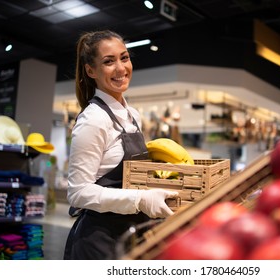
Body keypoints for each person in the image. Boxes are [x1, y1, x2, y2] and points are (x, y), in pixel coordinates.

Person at [63, 30, 178, 260]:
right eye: (108, 61)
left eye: (124, 58)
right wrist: (140, 199)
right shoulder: (93, 120)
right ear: (90, 70)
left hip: (131, 235)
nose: (120, 68)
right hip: (99, 242)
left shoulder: (133, 115)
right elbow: (78, 192)